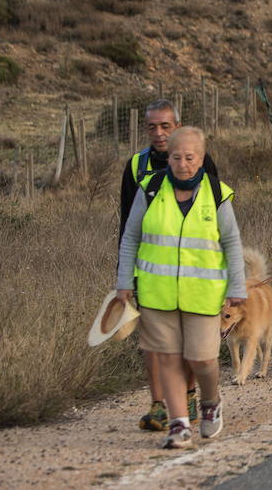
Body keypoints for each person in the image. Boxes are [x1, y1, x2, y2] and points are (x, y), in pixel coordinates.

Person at [116, 127, 246, 450]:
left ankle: (211, 401)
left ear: (201, 158)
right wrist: (124, 282)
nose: (183, 164)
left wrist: (237, 285)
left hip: (203, 296)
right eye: (176, 157)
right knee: (169, 359)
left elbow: (231, 243)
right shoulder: (150, 189)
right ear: (167, 158)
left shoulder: (216, 193)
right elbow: (131, 237)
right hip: (156, 294)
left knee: (202, 360)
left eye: (190, 157)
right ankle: (179, 424)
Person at [117, 100, 198, 432]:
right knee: (152, 341)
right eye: (152, 127)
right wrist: (124, 274)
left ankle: (191, 396)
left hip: (195, 268)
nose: (159, 133)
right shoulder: (137, 166)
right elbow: (127, 225)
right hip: (150, 270)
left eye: (165, 126)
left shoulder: (198, 159)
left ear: (177, 126)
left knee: (190, 338)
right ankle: (158, 404)